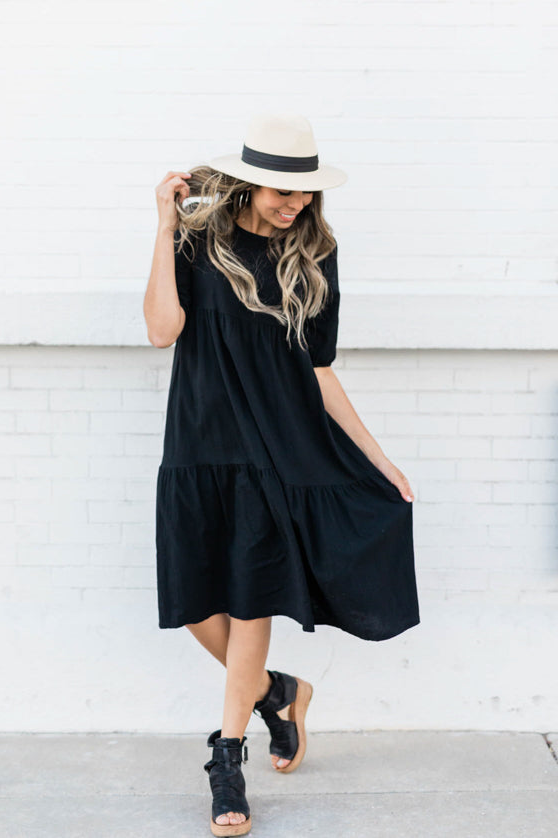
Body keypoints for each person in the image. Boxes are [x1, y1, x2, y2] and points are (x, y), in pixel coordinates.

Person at [143, 112, 420, 837]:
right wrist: (163, 224)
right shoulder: (196, 239)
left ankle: (227, 759)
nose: (295, 203)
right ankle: (277, 693)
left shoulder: (316, 253)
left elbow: (318, 369)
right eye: (281, 191)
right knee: (193, 601)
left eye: (305, 192)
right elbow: (162, 330)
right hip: (200, 444)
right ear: (250, 184)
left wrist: (378, 458)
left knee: (249, 601)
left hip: (278, 448)